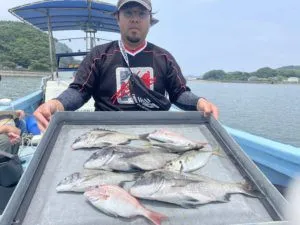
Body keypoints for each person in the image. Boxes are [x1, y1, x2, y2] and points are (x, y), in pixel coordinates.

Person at [34, 0, 219, 132]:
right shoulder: (99, 55)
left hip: (154, 133)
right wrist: (56, 104)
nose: (135, 19)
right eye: (128, 13)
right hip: (107, 131)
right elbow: (79, 91)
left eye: (141, 14)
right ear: (118, 18)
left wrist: (199, 102)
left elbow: (179, 93)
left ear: (150, 21)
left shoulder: (164, 57)